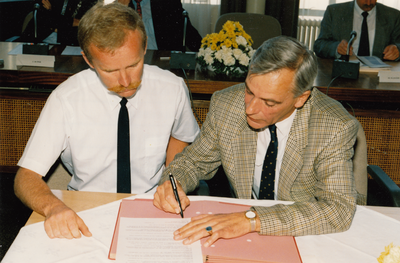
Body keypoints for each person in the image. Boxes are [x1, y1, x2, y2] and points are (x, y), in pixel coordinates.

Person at [14, 2, 200, 239]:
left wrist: (172, 181)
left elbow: (181, 136)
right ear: (89, 60)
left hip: (154, 206)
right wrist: (54, 207)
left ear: (144, 49)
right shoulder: (66, 98)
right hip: (85, 208)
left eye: (133, 65)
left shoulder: (172, 88)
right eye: (110, 71)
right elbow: (25, 178)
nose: (125, 81)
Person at [154, 36, 359, 247]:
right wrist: (173, 181)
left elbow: (337, 209)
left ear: (301, 98)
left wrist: (251, 219)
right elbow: (193, 162)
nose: (250, 109)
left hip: (303, 236)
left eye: (269, 102)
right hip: (244, 238)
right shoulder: (227, 106)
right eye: (249, 91)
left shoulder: (333, 126)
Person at [313, 0, 400, 61]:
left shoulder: (393, 15)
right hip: (343, 73)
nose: (368, 2)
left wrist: (397, 50)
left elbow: (398, 44)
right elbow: (319, 45)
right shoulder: (334, 12)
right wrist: (336, 48)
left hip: (378, 75)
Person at [118, 0, 202, 51]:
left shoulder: (167, 2)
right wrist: (121, 7)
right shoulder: (120, 7)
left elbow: (188, 33)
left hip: (162, 62)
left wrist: (208, 52)